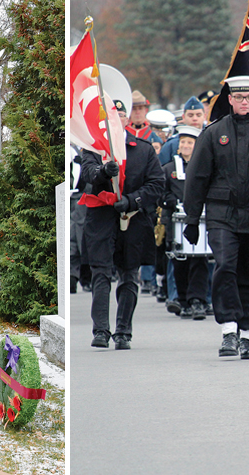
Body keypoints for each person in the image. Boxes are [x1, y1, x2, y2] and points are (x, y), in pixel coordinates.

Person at [184, 75, 249, 359]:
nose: (244, 102)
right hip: (223, 214)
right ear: (229, 100)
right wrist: (192, 218)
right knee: (226, 267)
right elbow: (197, 177)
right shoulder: (213, 132)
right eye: (239, 97)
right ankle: (229, 331)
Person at [81, 108, 165, 350]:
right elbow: (87, 172)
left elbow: (157, 184)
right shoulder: (95, 148)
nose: (114, 121)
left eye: (119, 116)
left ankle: (123, 332)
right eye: (108, 116)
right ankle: (100, 331)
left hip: (133, 218)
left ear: (127, 120)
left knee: (129, 274)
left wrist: (132, 200)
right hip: (101, 217)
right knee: (101, 273)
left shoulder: (144, 149)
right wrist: (102, 172)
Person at [160, 125, 209, 320]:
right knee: (179, 261)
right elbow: (160, 192)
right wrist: (171, 201)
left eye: (190, 142)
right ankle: (182, 300)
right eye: (183, 143)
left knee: (199, 260)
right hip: (175, 221)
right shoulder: (169, 169)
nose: (186, 146)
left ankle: (198, 300)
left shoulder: (204, 167)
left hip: (199, 220)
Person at [158, 97, 205, 165]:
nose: (195, 119)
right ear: (183, 117)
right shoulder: (172, 144)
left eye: (198, 115)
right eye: (190, 115)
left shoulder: (211, 140)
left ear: (205, 116)